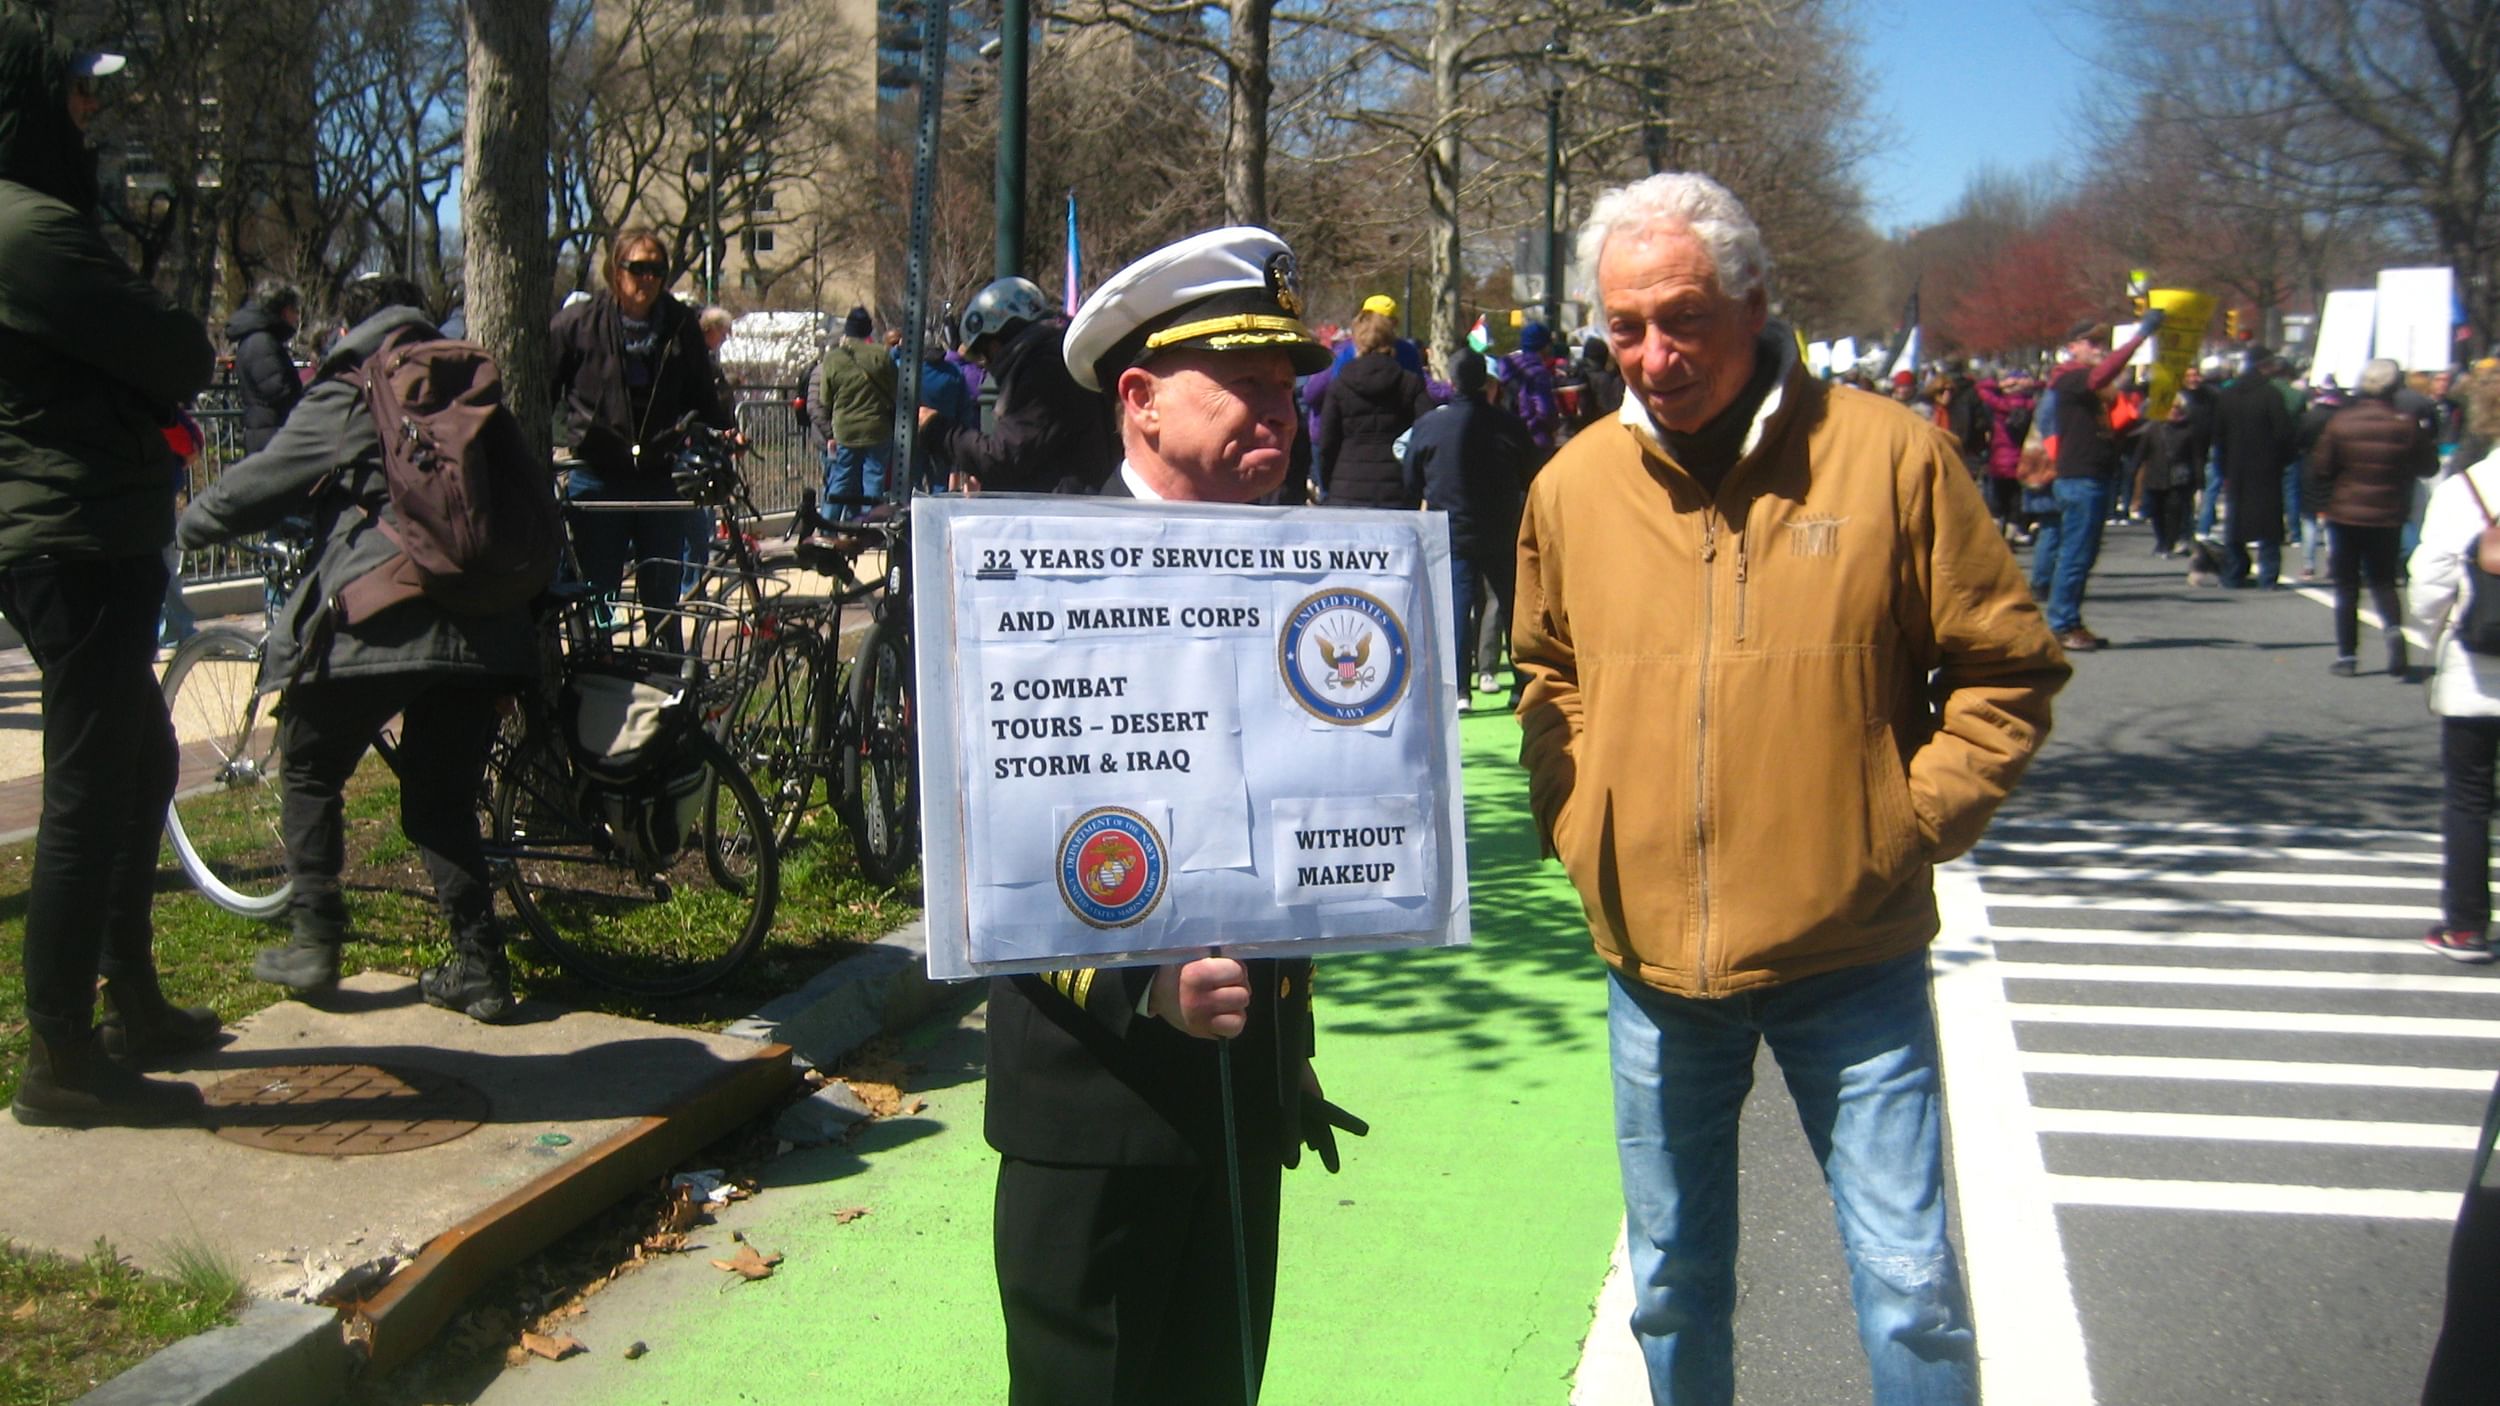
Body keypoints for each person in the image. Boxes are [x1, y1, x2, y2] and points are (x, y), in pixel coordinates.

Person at [1512, 171, 2069, 1405]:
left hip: (1850, 954)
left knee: (1909, 1287)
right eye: (1623, 326)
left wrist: (1904, 824)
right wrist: (1576, 807)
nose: (1652, 355)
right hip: (1651, 961)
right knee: (1670, 1280)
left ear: (1754, 301)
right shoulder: (1571, 486)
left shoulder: (1891, 458)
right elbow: (1545, 673)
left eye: (1683, 317)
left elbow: (2005, 669)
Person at [993, 224, 1354, 1405]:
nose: (1280, 412)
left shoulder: (1295, 566)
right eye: (1245, 386)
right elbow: (996, 852)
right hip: (1098, 1100)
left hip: (1241, 1100)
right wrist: (1138, 982)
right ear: (1139, 400)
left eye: (1287, 390)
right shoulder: (1031, 576)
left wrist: (1284, 1054)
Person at [177, 274, 540, 1021]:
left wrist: (187, 525)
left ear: (350, 323)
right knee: (441, 804)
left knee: (308, 761)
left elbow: (267, 481)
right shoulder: (466, 385)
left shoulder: (355, 383)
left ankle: (316, 939)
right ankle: (481, 968)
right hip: (485, 617)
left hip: (386, 608)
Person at [0, 10, 220, 1127]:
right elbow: (174, 348)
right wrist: (170, 338)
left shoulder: (39, 219)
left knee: (140, 764)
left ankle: (130, 996)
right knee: (91, 786)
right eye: (75, 94)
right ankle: (62, 1056)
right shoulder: (29, 230)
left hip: (85, 527)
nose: (91, 113)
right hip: (73, 537)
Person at [549, 228, 732, 619]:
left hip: (660, 478)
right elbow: (547, 392)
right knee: (597, 595)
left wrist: (724, 429)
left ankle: (663, 672)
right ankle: (601, 671)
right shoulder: (577, 325)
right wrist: (559, 439)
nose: (648, 279)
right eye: (638, 268)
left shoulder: (681, 324)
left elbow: (703, 394)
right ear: (616, 271)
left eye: (657, 270)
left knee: (662, 595)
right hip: (597, 479)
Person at [2408, 442, 2500, 963]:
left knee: (2469, 799)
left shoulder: (2465, 490)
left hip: (2479, 666)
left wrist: (2432, 633)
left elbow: (2430, 582)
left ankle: (2465, 927)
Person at [1407, 350, 1536, 710]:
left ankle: (1459, 687)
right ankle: (1521, 681)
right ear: (1485, 382)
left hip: (1451, 526)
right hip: (1500, 524)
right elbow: (1532, 469)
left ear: (1451, 381)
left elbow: (1411, 476)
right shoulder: (1508, 425)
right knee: (1511, 603)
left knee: (1456, 605)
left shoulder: (1431, 425)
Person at [919, 274, 1113, 495]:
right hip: (1070, 502)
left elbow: (1005, 457)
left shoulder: (1044, 369)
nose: (988, 365)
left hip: (1061, 513)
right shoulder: (1061, 355)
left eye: (986, 353)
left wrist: (936, 428)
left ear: (996, 341)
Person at [2307, 358, 2439, 679]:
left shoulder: (2341, 422)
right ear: (2395, 387)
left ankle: (2347, 655)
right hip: (2388, 511)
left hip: (2346, 510)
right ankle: (2393, 630)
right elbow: (2428, 466)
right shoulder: (2405, 424)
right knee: (2383, 581)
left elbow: (2322, 467)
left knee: (2347, 585)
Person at [2041, 315, 2162, 649]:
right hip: (2079, 477)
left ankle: (2069, 620)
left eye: (2102, 343)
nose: (2098, 349)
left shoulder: (2087, 385)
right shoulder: (2068, 378)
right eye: (2091, 343)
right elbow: (2099, 376)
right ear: (2072, 348)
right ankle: (2062, 623)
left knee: (2083, 554)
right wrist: (2139, 338)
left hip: (2092, 473)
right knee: (2075, 554)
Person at [1317, 306, 1431, 507]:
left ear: (1357, 341)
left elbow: (1327, 443)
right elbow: (1427, 434)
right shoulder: (1409, 383)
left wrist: (1327, 484)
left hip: (1347, 486)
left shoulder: (1340, 386)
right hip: (1398, 487)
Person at [2214, 349, 2298, 590]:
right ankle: (2268, 576)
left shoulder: (2227, 394)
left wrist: (2223, 466)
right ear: (2266, 366)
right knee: (2269, 523)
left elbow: (2218, 435)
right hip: (2266, 466)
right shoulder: (2271, 395)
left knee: (2235, 522)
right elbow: (2284, 433)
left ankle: (2234, 571)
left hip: (2235, 465)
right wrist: (2284, 460)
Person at [812, 304, 896, 504]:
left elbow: (825, 398)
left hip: (845, 429)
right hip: (877, 427)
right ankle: (870, 528)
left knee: (840, 480)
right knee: (874, 479)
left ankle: (828, 528)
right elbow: (895, 389)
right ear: (868, 329)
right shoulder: (882, 354)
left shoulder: (833, 358)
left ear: (847, 330)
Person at [226, 278, 304, 453]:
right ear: (284, 311)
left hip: (268, 433)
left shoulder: (261, 339)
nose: (297, 317)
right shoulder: (262, 342)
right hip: (271, 436)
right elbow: (279, 392)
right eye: (295, 310)